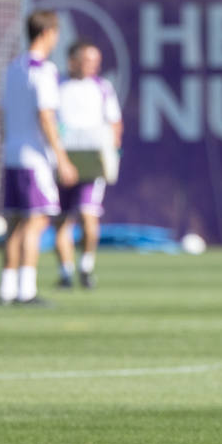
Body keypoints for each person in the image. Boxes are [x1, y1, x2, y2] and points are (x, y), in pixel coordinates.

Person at [0, 9, 77, 306]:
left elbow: (2, 113)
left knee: (15, 225)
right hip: (34, 158)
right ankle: (26, 290)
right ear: (47, 33)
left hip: (12, 154)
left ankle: (7, 289)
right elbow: (46, 116)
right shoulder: (44, 71)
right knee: (36, 222)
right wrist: (62, 158)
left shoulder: (13, 68)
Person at [54, 39, 123, 289]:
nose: (92, 65)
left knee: (88, 214)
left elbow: (114, 122)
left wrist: (112, 150)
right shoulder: (57, 85)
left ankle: (86, 266)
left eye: (95, 61)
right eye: (87, 60)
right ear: (72, 60)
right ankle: (65, 272)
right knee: (61, 219)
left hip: (91, 162)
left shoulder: (102, 88)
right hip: (61, 159)